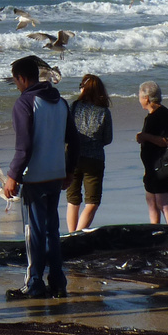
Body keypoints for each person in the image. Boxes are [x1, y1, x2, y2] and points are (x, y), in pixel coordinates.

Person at [1, 55, 76, 300]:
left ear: (22, 78)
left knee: (33, 232)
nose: (17, 86)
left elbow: (24, 146)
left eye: (16, 81)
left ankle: (34, 283)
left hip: (35, 177)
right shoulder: (61, 102)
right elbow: (74, 141)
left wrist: (12, 175)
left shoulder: (25, 103)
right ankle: (57, 281)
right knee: (52, 230)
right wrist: (69, 171)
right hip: (56, 173)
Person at [67, 74, 113, 233]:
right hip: (94, 159)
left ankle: (71, 235)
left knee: (73, 200)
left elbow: (67, 132)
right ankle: (77, 235)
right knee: (92, 202)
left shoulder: (74, 106)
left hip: (73, 156)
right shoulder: (104, 111)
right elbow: (107, 139)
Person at [135, 80, 168, 225]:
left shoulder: (162, 114)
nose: (139, 99)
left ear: (146, 98)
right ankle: (155, 232)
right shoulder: (151, 115)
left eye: (140, 96)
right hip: (151, 167)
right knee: (151, 201)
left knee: (163, 202)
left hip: (162, 165)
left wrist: (145, 137)